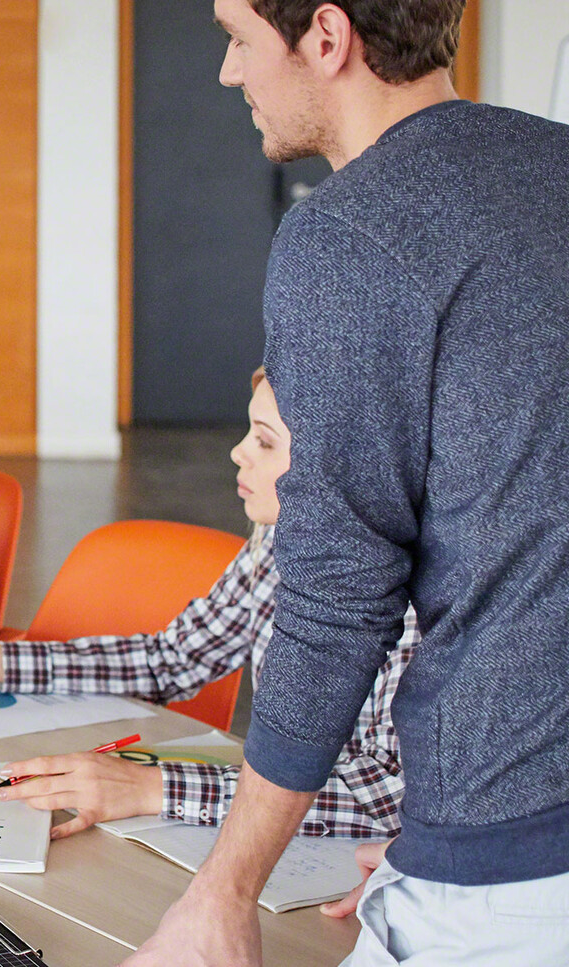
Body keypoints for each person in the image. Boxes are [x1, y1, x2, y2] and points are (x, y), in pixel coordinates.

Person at [126, 2, 569, 965]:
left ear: (325, 39)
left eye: (240, 40)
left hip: (511, 849)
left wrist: (224, 891)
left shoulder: (348, 237)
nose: (228, 74)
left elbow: (337, 598)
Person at [0, 369, 413, 858]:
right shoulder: (282, 538)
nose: (238, 452)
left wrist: (154, 787)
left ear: (336, 465)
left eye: (265, 440)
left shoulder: (420, 599)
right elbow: (175, 658)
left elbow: (388, 795)